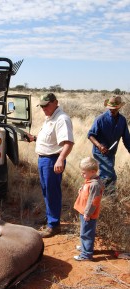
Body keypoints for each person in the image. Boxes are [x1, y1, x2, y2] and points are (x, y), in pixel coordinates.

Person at [25, 93, 74, 238]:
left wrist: (60, 159)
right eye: (42, 106)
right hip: (44, 159)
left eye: (46, 105)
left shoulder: (62, 119)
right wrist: (34, 138)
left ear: (55, 103)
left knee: (52, 192)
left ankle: (53, 226)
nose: (44, 108)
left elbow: (68, 143)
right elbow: (50, 139)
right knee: (47, 191)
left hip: (53, 160)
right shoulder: (50, 118)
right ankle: (51, 219)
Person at [87, 96, 130, 195]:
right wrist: (99, 146)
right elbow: (90, 135)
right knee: (110, 175)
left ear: (119, 108)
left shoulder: (122, 120)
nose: (112, 110)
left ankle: (100, 196)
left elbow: (127, 139)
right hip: (99, 152)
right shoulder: (100, 119)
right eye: (110, 108)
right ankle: (109, 197)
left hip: (111, 152)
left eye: (114, 109)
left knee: (105, 174)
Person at [73, 157, 104, 261]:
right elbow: (87, 190)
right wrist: (82, 189)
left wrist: (88, 213)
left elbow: (94, 201)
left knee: (86, 233)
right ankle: (84, 247)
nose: (82, 175)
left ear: (93, 171)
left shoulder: (95, 184)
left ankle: (86, 254)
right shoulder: (91, 180)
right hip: (84, 211)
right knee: (84, 231)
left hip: (88, 214)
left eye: (84, 173)